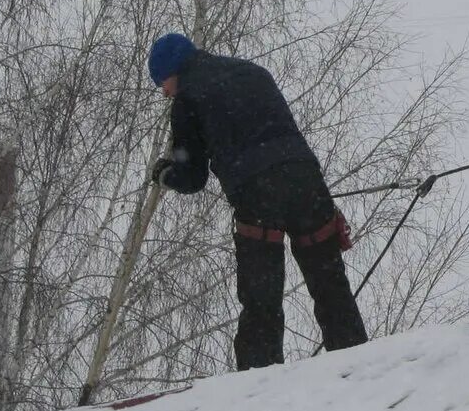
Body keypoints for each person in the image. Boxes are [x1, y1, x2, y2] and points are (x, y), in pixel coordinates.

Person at [146, 32, 368, 370]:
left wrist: (165, 173)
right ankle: (358, 364)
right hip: (306, 181)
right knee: (330, 286)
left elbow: (193, 178)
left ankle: (258, 382)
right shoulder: (253, 72)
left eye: (162, 83)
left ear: (172, 73)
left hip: (257, 195)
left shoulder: (187, 99)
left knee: (261, 299)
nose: (164, 92)